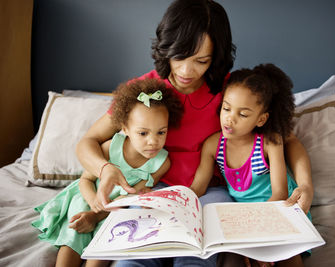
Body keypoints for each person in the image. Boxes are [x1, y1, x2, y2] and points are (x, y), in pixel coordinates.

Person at [76, 0, 313, 265]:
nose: (187, 71)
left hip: (209, 194)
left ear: (216, 58)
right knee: (133, 260)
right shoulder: (144, 92)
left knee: (196, 260)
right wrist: (104, 168)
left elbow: (286, 139)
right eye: (179, 57)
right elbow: (88, 141)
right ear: (166, 48)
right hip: (153, 190)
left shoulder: (232, 92)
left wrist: (305, 184)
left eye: (201, 61)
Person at [32, 78, 183, 267]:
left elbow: (132, 195)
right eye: (143, 133)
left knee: (104, 248)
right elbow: (85, 180)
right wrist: (93, 205)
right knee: (74, 237)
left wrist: (99, 215)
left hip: (116, 210)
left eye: (161, 132)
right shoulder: (110, 147)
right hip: (88, 198)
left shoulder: (161, 163)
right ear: (125, 129)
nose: (153, 142)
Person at [190, 63, 310, 267]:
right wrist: (175, 204)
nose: (230, 118)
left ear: (261, 119)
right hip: (244, 217)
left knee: (286, 253)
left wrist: (258, 234)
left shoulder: (270, 142)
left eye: (243, 114)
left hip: (279, 207)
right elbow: (197, 188)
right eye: (226, 108)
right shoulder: (212, 145)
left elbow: (279, 193)